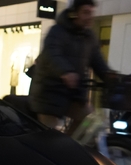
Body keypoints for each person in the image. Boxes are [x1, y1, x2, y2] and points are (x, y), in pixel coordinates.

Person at [29, 0, 110, 134]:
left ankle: (69, 146)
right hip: (49, 93)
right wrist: (65, 72)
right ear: (74, 14)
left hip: (73, 93)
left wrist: (108, 75)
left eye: (91, 13)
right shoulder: (57, 31)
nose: (90, 17)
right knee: (48, 136)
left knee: (89, 118)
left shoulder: (89, 37)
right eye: (85, 12)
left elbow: (97, 60)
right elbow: (52, 53)